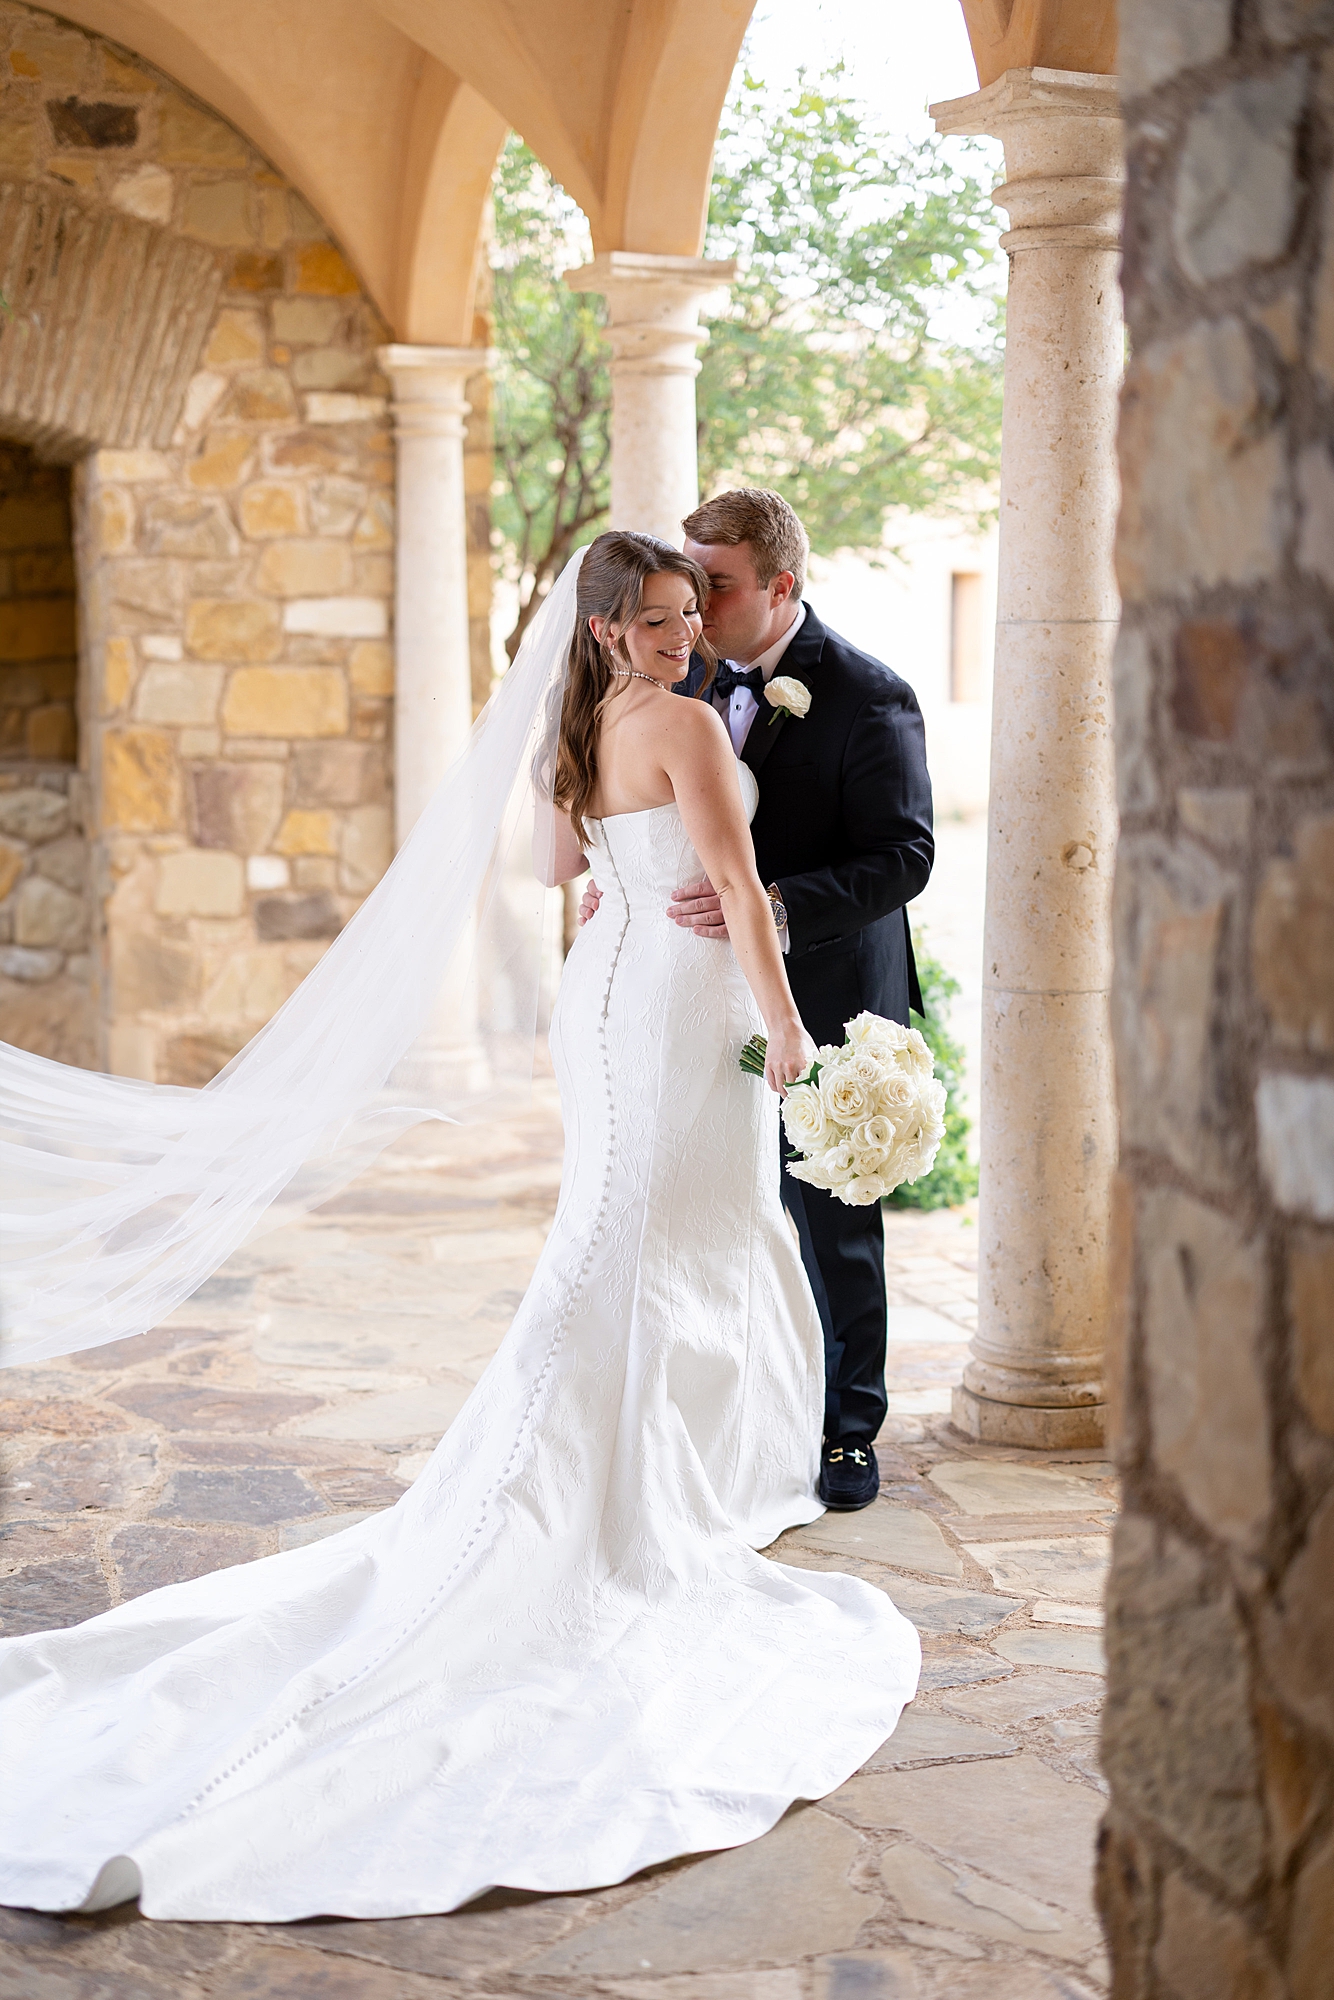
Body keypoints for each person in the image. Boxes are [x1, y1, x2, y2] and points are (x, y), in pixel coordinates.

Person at [0, 531, 919, 1925]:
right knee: (649, 1249)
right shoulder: (668, 718)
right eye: (663, 623)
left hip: (608, 996)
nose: (686, 643)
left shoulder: (593, 720)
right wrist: (788, 1030)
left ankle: (626, 1481)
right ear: (612, 629)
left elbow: (569, 861)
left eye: (691, 621)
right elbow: (734, 892)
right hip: (678, 1008)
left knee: (632, 1244)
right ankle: (608, 1506)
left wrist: (635, 868)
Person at [580, 492, 934, 1512]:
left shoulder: (868, 694)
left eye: (717, 584)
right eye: (685, 581)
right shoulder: (667, 668)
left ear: (781, 586)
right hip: (689, 991)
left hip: (820, 982)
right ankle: (737, 1420)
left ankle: (847, 1431)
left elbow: (903, 853)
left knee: (829, 1220)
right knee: (710, 1209)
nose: (693, 602)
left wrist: (776, 906)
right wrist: (627, 874)